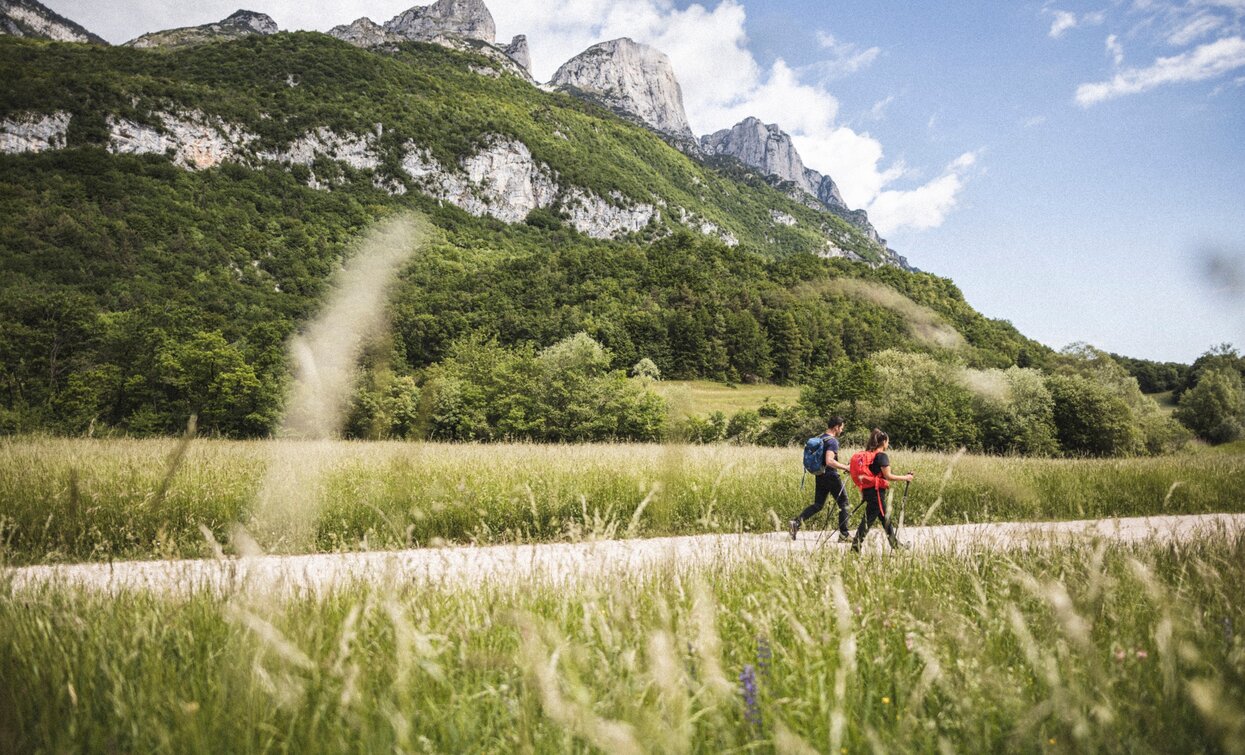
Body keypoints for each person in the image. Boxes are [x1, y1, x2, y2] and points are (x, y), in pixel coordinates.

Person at [788, 417, 852, 541]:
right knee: (844, 503)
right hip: (831, 475)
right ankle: (844, 534)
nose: (842, 430)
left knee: (818, 504)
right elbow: (829, 461)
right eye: (841, 428)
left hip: (820, 475)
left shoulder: (821, 438)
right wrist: (846, 467)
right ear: (836, 427)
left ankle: (796, 522)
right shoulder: (832, 441)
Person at [849, 428, 914, 552]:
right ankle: (855, 547)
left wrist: (864, 493)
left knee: (886, 519)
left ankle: (895, 545)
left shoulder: (871, 455)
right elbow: (888, 476)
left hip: (870, 491)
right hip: (876, 493)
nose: (888, 444)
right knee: (867, 521)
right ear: (883, 441)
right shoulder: (882, 456)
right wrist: (906, 477)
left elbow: (869, 476)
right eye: (887, 441)